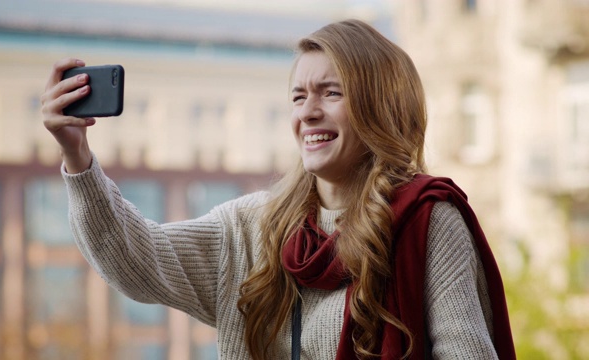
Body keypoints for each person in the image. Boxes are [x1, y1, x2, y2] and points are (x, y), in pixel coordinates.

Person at [42, 19, 515, 360]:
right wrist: (77, 157)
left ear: (381, 107)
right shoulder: (250, 227)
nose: (307, 112)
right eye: (297, 96)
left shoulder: (426, 219)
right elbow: (136, 259)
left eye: (331, 93)